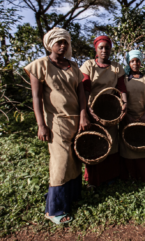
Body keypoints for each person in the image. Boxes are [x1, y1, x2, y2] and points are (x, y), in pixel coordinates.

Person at [24, 27, 90, 224]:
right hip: (55, 121)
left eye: (65, 42)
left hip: (75, 120)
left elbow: (81, 95)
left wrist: (83, 115)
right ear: (49, 44)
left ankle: (71, 198)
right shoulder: (40, 65)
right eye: (58, 42)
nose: (62, 46)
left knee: (74, 160)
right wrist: (41, 124)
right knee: (60, 163)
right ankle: (55, 210)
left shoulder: (73, 67)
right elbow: (36, 97)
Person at [80, 36, 128, 187]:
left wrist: (124, 104)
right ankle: (94, 180)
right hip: (93, 108)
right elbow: (85, 89)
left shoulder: (116, 67)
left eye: (107, 47)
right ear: (96, 49)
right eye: (101, 47)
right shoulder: (88, 65)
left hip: (111, 110)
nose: (104, 50)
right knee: (95, 142)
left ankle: (110, 177)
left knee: (111, 142)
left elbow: (122, 88)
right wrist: (88, 110)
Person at [119, 50, 145, 181]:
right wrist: (127, 116)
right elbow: (121, 99)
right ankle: (129, 175)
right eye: (132, 61)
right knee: (127, 146)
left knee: (142, 145)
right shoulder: (123, 79)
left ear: (141, 62)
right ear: (129, 63)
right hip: (126, 118)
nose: (135, 63)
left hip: (142, 118)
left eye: (138, 61)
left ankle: (143, 174)